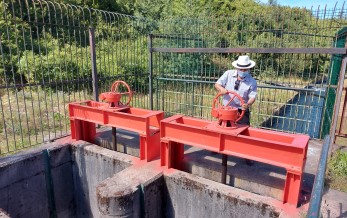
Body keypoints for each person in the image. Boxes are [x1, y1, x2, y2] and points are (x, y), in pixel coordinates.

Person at [214, 55, 257, 126]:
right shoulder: (228, 74)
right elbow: (217, 84)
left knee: (243, 131)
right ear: (236, 67)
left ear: (249, 68)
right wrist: (222, 89)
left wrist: (247, 104)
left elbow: (252, 97)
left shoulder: (252, 81)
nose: (243, 71)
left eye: (245, 69)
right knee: (224, 129)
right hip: (226, 109)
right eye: (241, 69)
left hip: (241, 111)